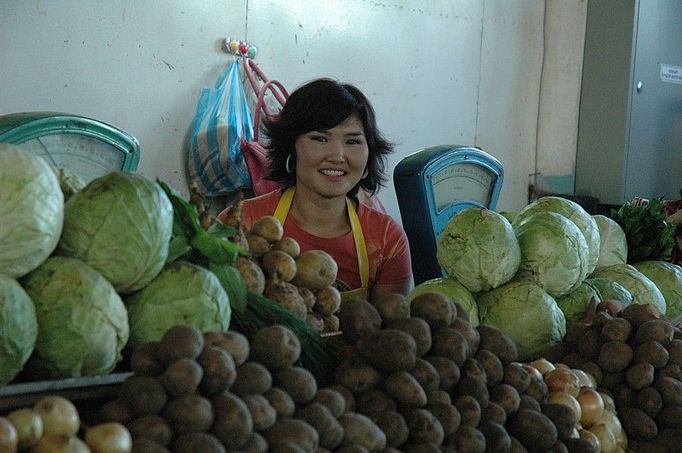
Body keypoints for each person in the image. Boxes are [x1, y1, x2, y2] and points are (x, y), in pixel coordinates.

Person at [218, 78, 412, 303]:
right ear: (292, 147)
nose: (337, 156)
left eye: (352, 142)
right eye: (320, 139)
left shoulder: (387, 240)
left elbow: (392, 333)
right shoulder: (242, 224)